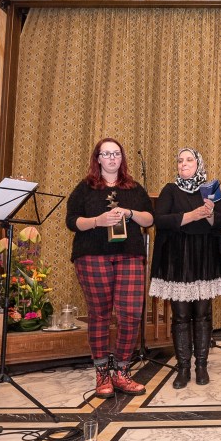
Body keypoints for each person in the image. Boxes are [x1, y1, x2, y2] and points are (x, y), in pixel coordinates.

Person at [66, 138, 154, 398]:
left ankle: (122, 371)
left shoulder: (134, 188)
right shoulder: (85, 188)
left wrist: (129, 213)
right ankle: (102, 373)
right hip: (92, 255)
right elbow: (72, 221)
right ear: (98, 159)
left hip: (129, 255)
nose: (112, 158)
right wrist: (98, 221)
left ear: (122, 158)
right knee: (100, 314)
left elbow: (149, 219)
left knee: (131, 314)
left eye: (116, 153)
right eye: (106, 154)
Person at [149, 148, 221, 388]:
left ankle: (201, 366)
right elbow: (159, 220)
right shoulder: (170, 189)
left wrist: (209, 214)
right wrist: (191, 215)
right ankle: (183, 368)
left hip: (204, 259)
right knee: (181, 316)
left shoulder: (210, 189)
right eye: (179, 160)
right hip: (177, 261)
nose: (183, 164)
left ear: (198, 164)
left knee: (203, 315)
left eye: (189, 160)